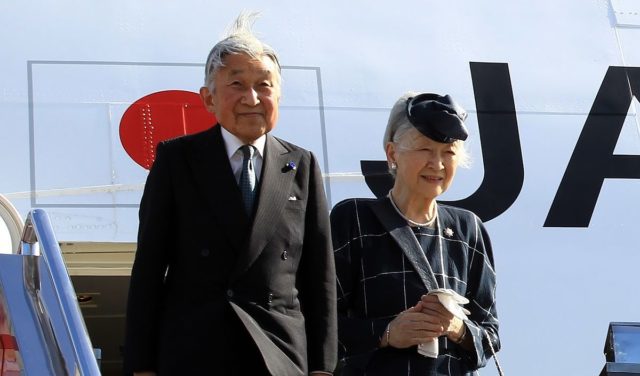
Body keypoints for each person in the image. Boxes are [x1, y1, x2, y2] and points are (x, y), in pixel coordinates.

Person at [123, 13, 337, 376]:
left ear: (279, 95)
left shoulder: (301, 164)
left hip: (279, 352)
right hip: (196, 351)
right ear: (209, 98)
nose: (252, 98)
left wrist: (323, 367)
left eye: (264, 85)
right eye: (237, 84)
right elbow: (148, 268)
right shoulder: (177, 160)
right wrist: (142, 365)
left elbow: (319, 275)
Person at [331, 92, 500, 375]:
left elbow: (491, 337)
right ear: (392, 153)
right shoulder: (354, 219)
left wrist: (457, 328)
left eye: (449, 152)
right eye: (424, 149)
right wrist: (386, 332)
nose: (438, 164)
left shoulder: (468, 229)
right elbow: (317, 322)